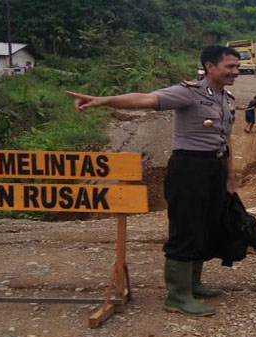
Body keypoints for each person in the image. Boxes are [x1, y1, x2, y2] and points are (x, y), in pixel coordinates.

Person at [65, 45, 242, 317]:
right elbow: (146, 99)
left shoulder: (224, 97)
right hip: (190, 168)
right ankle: (178, 296)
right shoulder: (188, 92)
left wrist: (229, 175)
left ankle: (193, 284)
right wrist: (102, 100)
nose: (235, 71)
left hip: (215, 167)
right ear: (210, 66)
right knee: (186, 227)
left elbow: (226, 138)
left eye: (237, 67)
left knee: (206, 225)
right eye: (230, 66)